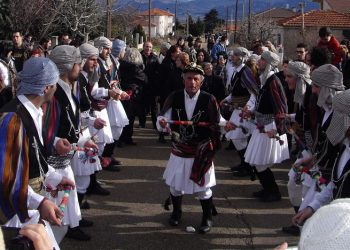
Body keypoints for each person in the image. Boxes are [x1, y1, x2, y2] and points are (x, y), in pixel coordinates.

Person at [0, 57, 75, 248]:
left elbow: (33, 157)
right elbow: (7, 177)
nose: (56, 88)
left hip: (30, 202)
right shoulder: (12, 118)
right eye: (54, 84)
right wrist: (40, 202)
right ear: (45, 88)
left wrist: (54, 178)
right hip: (17, 211)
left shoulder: (34, 112)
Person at [157, 63, 221, 234]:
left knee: (203, 188)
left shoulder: (209, 99)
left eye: (195, 79)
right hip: (180, 150)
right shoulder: (175, 96)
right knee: (176, 187)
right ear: (183, 80)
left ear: (201, 81)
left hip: (201, 151)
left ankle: (207, 217)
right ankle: (176, 212)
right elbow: (163, 118)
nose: (192, 82)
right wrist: (162, 123)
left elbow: (217, 121)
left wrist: (226, 126)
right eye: (189, 78)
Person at [48, 45, 96, 241]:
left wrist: (84, 140)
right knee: (54, 211)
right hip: (52, 162)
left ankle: (73, 223)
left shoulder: (67, 89)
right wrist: (56, 140)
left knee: (71, 195)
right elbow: (42, 130)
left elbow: (73, 124)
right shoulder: (53, 92)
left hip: (65, 159)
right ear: (68, 66)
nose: (80, 66)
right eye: (78, 63)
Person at [243, 51, 289, 202]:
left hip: (269, 127)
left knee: (260, 161)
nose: (259, 61)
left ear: (268, 63)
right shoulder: (265, 80)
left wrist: (277, 129)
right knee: (256, 161)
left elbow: (281, 108)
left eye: (262, 59)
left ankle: (273, 192)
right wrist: (252, 113)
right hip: (261, 125)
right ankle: (267, 189)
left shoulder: (273, 81)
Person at [220, 47, 259, 177]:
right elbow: (235, 90)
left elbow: (253, 93)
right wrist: (226, 99)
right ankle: (244, 164)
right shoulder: (237, 71)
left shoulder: (246, 72)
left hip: (243, 111)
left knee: (238, 137)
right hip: (237, 109)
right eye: (233, 55)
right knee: (235, 137)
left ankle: (248, 166)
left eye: (236, 55)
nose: (232, 57)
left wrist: (248, 107)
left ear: (242, 57)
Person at [119, 48, 148, 145]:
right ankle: (127, 138)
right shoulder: (135, 67)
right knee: (130, 117)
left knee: (125, 117)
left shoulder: (121, 65)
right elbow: (144, 79)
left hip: (124, 92)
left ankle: (123, 138)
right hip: (133, 94)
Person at [141, 41, 159, 129]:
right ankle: (142, 123)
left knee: (154, 106)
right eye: (147, 46)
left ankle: (155, 124)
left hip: (152, 85)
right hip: (142, 85)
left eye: (150, 47)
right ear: (143, 47)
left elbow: (158, 71)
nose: (148, 48)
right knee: (143, 106)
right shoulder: (139, 57)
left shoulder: (155, 58)